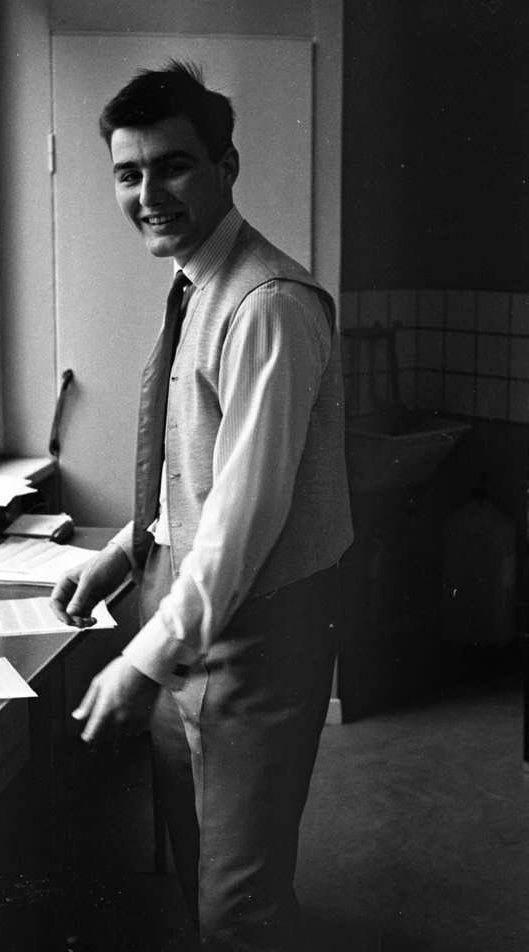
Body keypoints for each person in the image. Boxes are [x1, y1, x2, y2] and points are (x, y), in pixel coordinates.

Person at [50, 60, 353, 952]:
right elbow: (199, 473)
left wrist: (142, 661)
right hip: (192, 618)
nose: (149, 195)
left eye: (173, 167)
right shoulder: (195, 285)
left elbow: (245, 517)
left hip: (260, 634)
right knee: (198, 866)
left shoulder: (267, 306)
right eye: (128, 173)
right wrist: (125, 553)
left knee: (238, 906)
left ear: (226, 166)